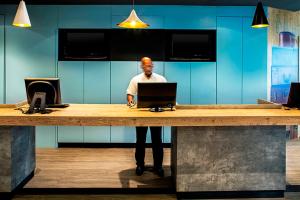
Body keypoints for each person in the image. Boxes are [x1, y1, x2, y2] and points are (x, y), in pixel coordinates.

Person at [126, 57, 167, 177]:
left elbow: (168, 94)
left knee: (157, 141)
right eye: (146, 66)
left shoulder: (161, 79)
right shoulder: (136, 79)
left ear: (152, 66)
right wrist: (130, 102)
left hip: (156, 114)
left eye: (150, 65)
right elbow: (129, 93)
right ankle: (140, 165)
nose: (148, 67)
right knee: (140, 140)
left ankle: (158, 166)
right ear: (142, 66)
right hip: (141, 114)